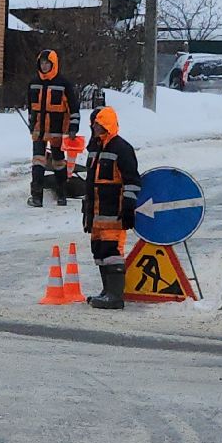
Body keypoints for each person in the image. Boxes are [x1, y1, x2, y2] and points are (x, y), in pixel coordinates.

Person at [81, 106, 140, 310]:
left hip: (114, 213)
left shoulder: (121, 148)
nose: (95, 128)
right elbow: (91, 183)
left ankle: (115, 296)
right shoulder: (95, 149)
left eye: (98, 125)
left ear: (106, 125)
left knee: (112, 251)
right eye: (94, 125)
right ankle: (107, 291)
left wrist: (129, 207)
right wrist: (88, 214)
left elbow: (132, 181)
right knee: (99, 251)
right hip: (97, 215)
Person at [26, 49, 78, 208]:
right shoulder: (33, 83)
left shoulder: (63, 84)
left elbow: (73, 107)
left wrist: (73, 127)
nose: (44, 66)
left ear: (53, 64)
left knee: (58, 162)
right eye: (42, 63)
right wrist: (31, 124)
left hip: (57, 130)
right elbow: (30, 107)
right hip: (38, 130)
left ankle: (62, 194)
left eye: (47, 63)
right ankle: (36, 196)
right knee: (38, 162)